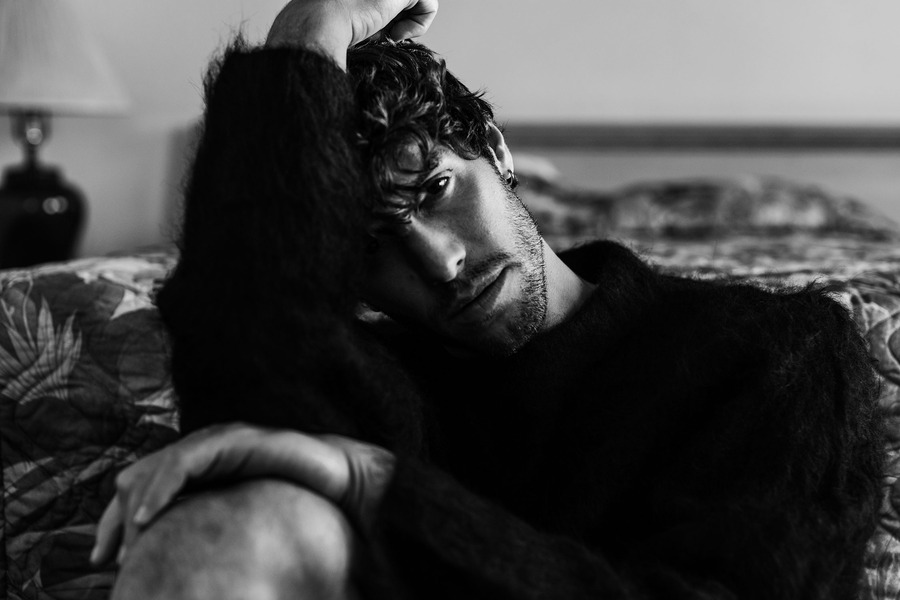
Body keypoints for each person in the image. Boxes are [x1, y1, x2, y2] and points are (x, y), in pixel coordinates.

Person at [90, 1, 884, 598]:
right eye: (372, 250)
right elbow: (244, 373)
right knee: (225, 520)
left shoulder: (775, 352)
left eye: (435, 189)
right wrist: (306, 36)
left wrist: (377, 485)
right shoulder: (384, 385)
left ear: (496, 153)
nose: (439, 263)